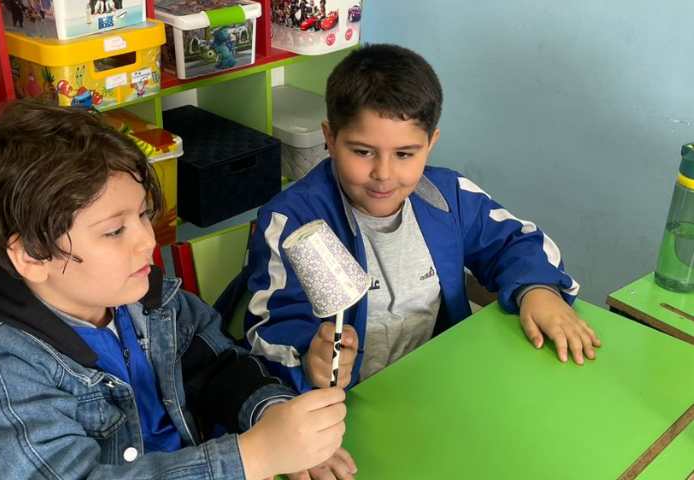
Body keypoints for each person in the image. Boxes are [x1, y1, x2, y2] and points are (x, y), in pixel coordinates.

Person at [0, 101, 348, 480]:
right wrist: (252, 457)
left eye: (142, 214)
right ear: (32, 255)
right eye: (113, 231)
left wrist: (275, 418)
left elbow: (219, 369)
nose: (147, 241)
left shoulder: (151, 299)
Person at [245, 43, 601, 395]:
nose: (383, 174)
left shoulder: (449, 197)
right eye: (363, 152)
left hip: (436, 385)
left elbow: (515, 241)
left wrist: (537, 289)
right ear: (330, 138)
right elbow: (268, 329)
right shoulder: (292, 221)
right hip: (342, 407)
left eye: (404, 154)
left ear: (430, 144)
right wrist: (309, 359)